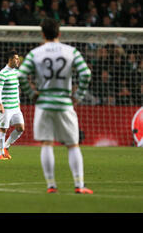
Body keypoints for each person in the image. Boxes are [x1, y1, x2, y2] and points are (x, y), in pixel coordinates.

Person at [17, 18, 93, 194]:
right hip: (64, 103)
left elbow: (21, 75)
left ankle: (51, 185)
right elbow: (86, 73)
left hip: (43, 103)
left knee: (46, 143)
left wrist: (32, 93)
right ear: (59, 33)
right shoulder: (71, 51)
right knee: (73, 145)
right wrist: (79, 95)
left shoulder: (36, 53)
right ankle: (79, 185)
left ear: (43, 34)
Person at [0, 50, 25, 160]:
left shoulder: (16, 72)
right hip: (6, 107)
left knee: (20, 128)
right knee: (3, 130)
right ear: (10, 59)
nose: (18, 61)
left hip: (15, 107)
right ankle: (0, 154)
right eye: (16, 59)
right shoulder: (2, 73)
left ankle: (6, 147)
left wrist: (18, 103)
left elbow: (16, 89)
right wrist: (0, 104)